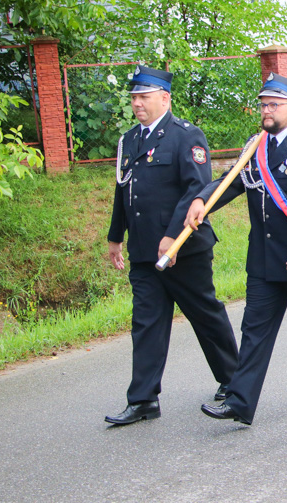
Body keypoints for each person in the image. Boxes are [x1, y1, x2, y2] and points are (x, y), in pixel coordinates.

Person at [184, 73, 287, 426]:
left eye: (273, 104)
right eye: (263, 104)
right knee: (254, 330)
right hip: (264, 259)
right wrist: (202, 200)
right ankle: (241, 401)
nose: (266, 110)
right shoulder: (255, 146)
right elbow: (231, 182)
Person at [105, 65, 239, 426]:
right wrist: (115, 236)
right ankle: (143, 399)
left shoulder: (186, 136)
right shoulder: (130, 140)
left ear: (164, 98)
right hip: (144, 251)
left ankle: (234, 382)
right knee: (146, 322)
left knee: (204, 315)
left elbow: (197, 189)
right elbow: (124, 191)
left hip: (184, 247)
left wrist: (172, 235)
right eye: (134, 97)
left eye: (144, 97)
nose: (137, 104)